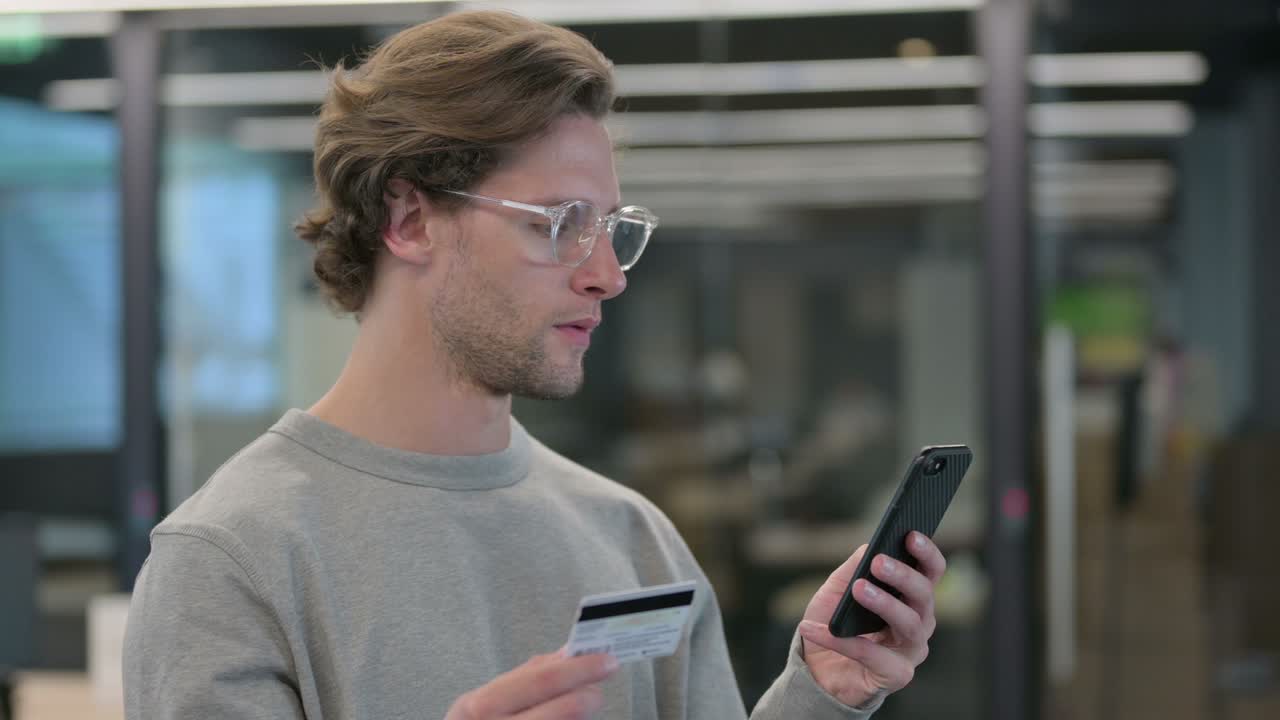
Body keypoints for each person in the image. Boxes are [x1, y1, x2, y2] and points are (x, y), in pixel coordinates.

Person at [123, 10, 946, 719]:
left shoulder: (631, 537)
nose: (608, 274)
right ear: (409, 220)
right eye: (557, 222)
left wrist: (823, 693)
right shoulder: (231, 561)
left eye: (611, 228)